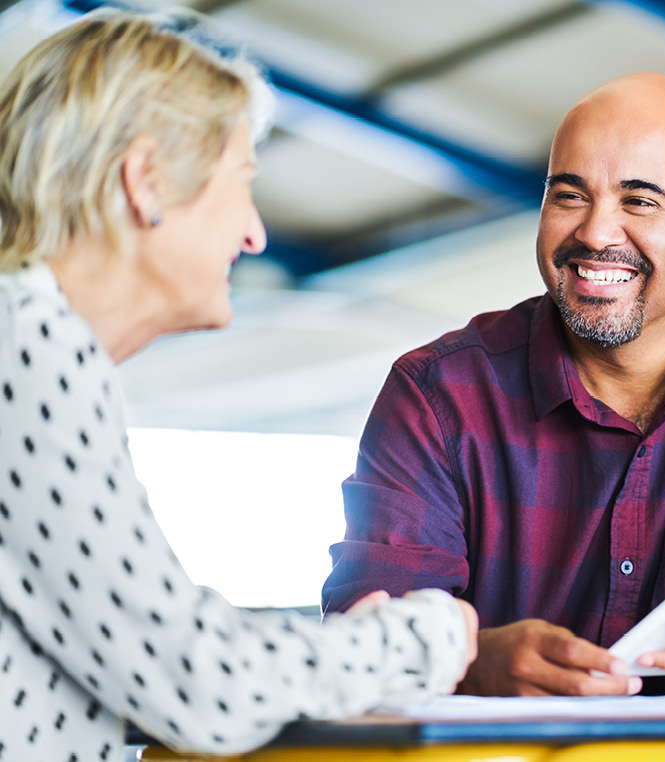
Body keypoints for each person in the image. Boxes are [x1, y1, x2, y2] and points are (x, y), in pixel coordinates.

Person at [0, 12, 478, 761]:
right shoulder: (26, 349)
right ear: (145, 181)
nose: (255, 233)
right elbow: (200, 683)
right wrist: (422, 639)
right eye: (241, 184)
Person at [323, 72, 665, 700]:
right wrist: (473, 665)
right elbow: (361, 639)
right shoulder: (437, 395)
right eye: (569, 195)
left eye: (639, 201)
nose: (595, 233)